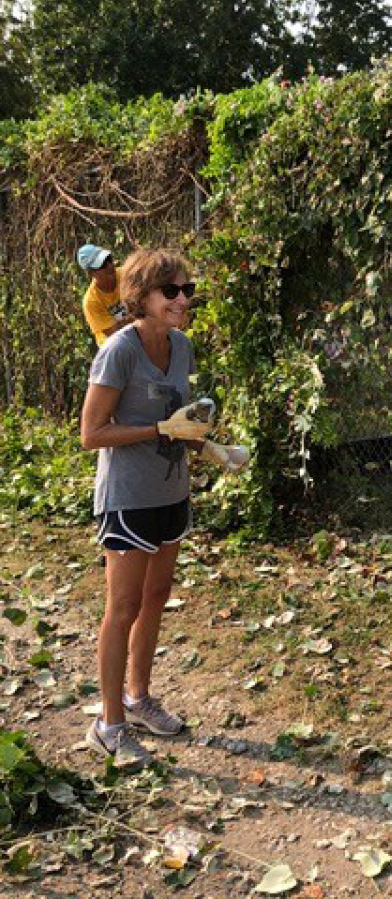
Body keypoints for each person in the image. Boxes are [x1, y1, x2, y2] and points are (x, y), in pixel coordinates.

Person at [80, 249, 210, 768]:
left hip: (170, 493)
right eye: (170, 291)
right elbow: (92, 433)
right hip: (128, 498)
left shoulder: (183, 346)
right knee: (124, 607)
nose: (182, 299)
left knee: (156, 597)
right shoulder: (119, 351)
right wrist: (158, 430)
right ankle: (108, 725)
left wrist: (205, 443)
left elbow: (178, 418)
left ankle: (138, 699)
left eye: (186, 289)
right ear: (142, 296)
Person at [77, 244, 132, 346]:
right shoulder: (91, 302)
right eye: (102, 265)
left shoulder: (128, 275)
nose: (110, 266)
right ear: (90, 273)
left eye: (109, 260)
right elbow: (116, 334)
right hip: (116, 347)